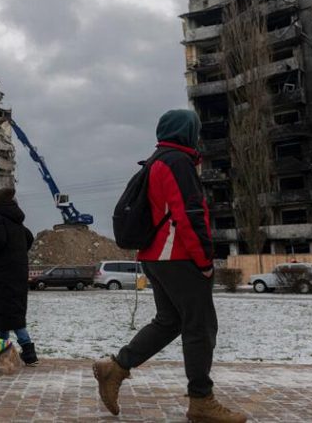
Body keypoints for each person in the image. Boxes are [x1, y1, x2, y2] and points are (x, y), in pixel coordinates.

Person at [93, 110, 246, 422]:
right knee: (200, 327)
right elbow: (189, 214)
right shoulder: (177, 162)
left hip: (154, 256)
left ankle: (116, 367)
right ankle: (201, 401)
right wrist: (203, 260)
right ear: (187, 132)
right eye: (196, 130)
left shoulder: (157, 160)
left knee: (170, 321)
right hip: (177, 256)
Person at [0, 187, 38, 366]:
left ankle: (4, 351)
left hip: (2, 276)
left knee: (2, 314)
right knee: (14, 315)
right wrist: (17, 255)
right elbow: (29, 238)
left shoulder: (0, 220)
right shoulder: (17, 222)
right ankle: (27, 353)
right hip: (18, 274)